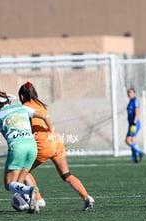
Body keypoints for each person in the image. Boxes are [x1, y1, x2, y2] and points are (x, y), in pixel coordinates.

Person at [18, 81, 95, 211]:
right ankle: (87, 197)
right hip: (56, 141)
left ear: (21, 96)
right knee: (66, 175)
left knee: (22, 171)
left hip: (43, 144)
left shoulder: (24, 107)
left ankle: (39, 200)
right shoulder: (40, 105)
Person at [0, 91, 52, 213]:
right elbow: (43, 116)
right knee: (21, 180)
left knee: (9, 183)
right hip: (32, 145)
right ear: (9, 102)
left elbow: (6, 137)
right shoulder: (22, 107)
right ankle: (32, 203)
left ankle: (29, 191)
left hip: (18, 146)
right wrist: (50, 130)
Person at [126, 88, 144, 163]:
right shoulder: (130, 101)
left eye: (130, 92)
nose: (129, 94)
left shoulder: (135, 101)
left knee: (128, 140)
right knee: (132, 141)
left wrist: (134, 123)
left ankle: (140, 152)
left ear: (134, 93)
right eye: (128, 93)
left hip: (134, 124)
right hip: (131, 124)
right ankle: (134, 159)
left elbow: (137, 113)